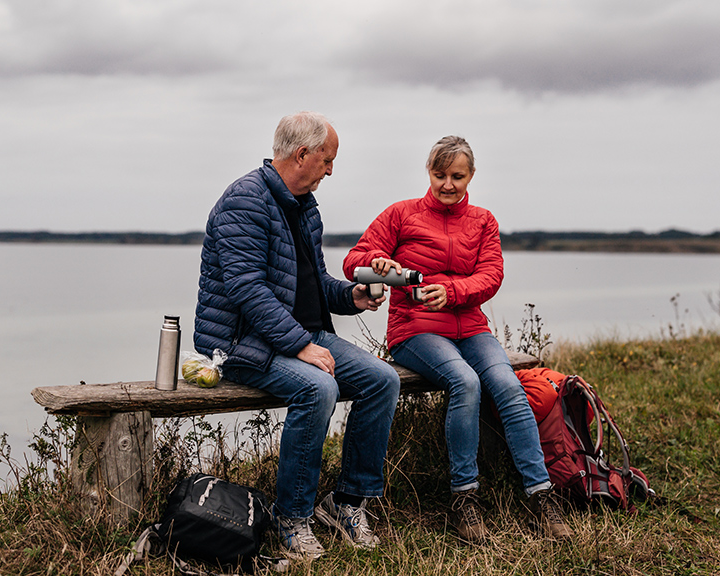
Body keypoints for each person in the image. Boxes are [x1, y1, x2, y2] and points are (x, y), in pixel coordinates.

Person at [342, 135, 572, 543]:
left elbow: (491, 275)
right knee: (465, 382)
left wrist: (453, 292)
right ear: (428, 171)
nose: (448, 184)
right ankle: (465, 498)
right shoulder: (400, 214)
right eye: (439, 174)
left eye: (457, 176)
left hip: (471, 327)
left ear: (471, 175)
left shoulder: (483, 221)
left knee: (506, 384)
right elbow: (353, 263)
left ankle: (540, 495)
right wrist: (376, 264)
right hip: (416, 329)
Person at [194, 111, 401, 560]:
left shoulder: (303, 206)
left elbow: (313, 284)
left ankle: (346, 504)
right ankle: (292, 518)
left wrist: (353, 296)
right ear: (302, 154)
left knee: (383, 380)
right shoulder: (244, 202)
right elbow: (247, 290)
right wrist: (301, 346)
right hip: (240, 343)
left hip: (295, 335)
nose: (331, 169)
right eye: (327, 159)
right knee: (319, 388)